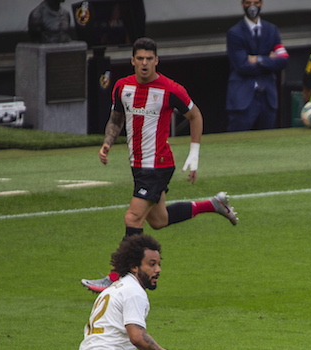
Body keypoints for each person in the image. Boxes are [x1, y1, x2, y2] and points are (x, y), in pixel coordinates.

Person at [83, 37, 238, 293]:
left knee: (133, 217)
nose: (144, 63)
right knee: (158, 220)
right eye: (140, 58)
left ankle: (116, 277)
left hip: (158, 164)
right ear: (132, 61)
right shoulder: (122, 87)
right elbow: (116, 117)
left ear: (157, 60)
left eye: (149, 58)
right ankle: (213, 204)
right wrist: (107, 143)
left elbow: (195, 115)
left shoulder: (170, 89)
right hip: (137, 165)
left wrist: (194, 153)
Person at [225, 0, 289, 132]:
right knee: (238, 139)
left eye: (256, 2)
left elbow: (283, 60)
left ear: (261, 4)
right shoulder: (234, 33)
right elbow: (242, 66)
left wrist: (258, 59)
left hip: (268, 97)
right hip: (243, 99)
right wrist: (269, 60)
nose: (252, 6)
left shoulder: (272, 30)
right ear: (242, 4)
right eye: (248, 2)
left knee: (267, 138)